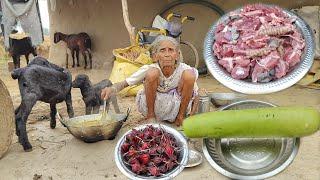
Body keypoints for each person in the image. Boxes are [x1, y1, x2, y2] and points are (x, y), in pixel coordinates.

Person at [101, 35, 199, 126]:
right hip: (155, 105)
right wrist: (112, 89)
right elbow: (125, 83)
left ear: (177, 55)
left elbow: (195, 93)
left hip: (176, 108)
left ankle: (180, 118)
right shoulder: (150, 68)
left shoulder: (184, 69)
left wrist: (192, 113)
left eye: (171, 50)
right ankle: (150, 116)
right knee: (152, 73)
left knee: (190, 75)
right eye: (162, 50)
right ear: (155, 56)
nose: (167, 54)